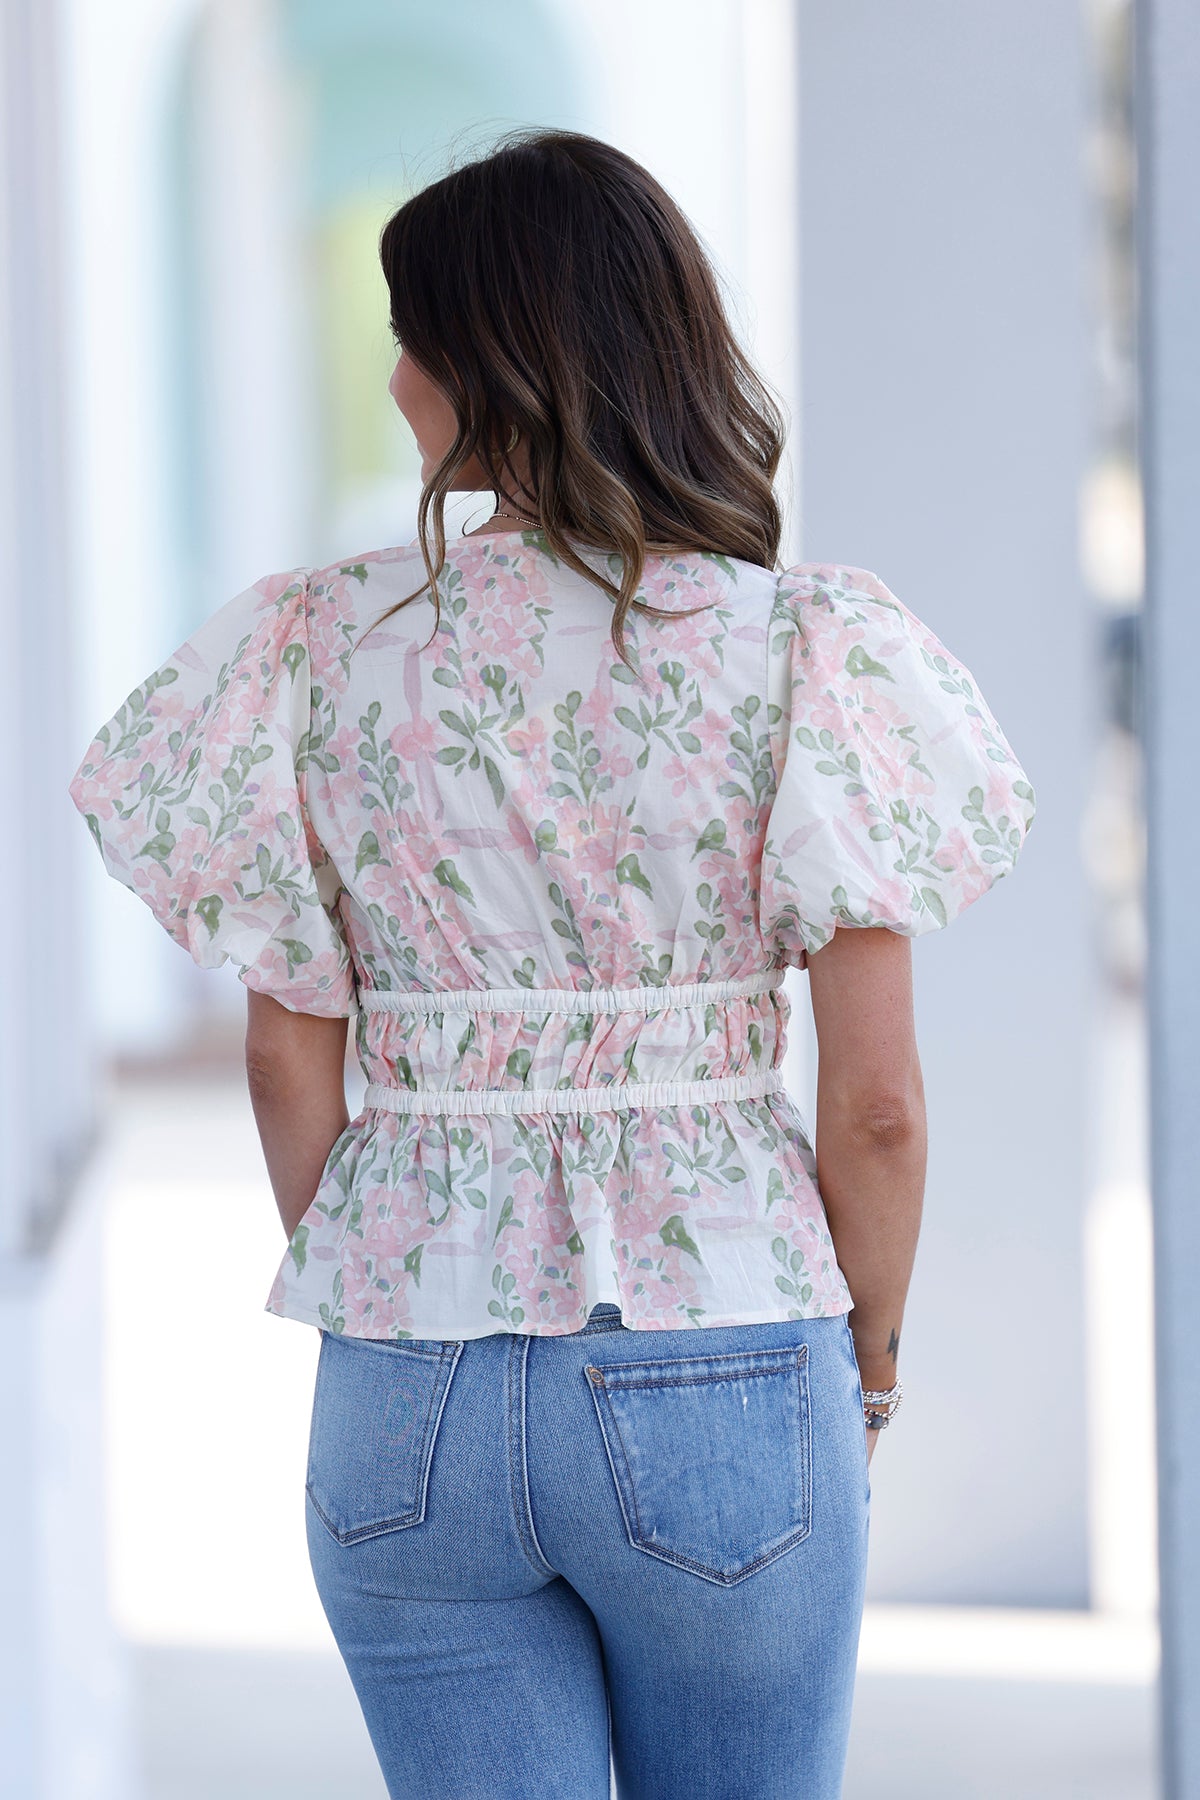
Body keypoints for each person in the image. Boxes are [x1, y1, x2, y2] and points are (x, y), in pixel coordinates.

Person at [68, 127, 1036, 1800]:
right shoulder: (804, 649)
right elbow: (875, 1109)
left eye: (408, 332)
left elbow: (287, 1060)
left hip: (409, 1382)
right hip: (729, 1351)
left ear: (475, 359)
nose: (390, 376)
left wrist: (393, 1289)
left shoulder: (312, 652)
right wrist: (864, 1381)